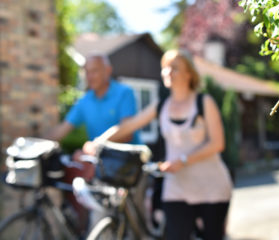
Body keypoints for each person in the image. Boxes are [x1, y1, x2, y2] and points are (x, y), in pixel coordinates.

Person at [84, 49, 233, 240]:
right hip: (177, 188)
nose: (168, 72)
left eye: (174, 68)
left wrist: (184, 160)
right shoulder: (160, 106)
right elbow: (128, 125)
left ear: (189, 73)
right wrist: (99, 142)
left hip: (211, 187)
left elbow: (217, 143)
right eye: (165, 68)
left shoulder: (204, 102)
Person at [45, 54, 141, 235]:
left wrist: (96, 145)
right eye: (87, 72)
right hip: (103, 168)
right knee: (100, 222)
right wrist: (38, 144)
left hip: (130, 167)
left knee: (133, 224)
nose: (90, 76)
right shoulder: (85, 101)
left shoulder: (124, 93)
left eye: (95, 71)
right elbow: (63, 129)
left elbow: (126, 131)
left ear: (108, 71)